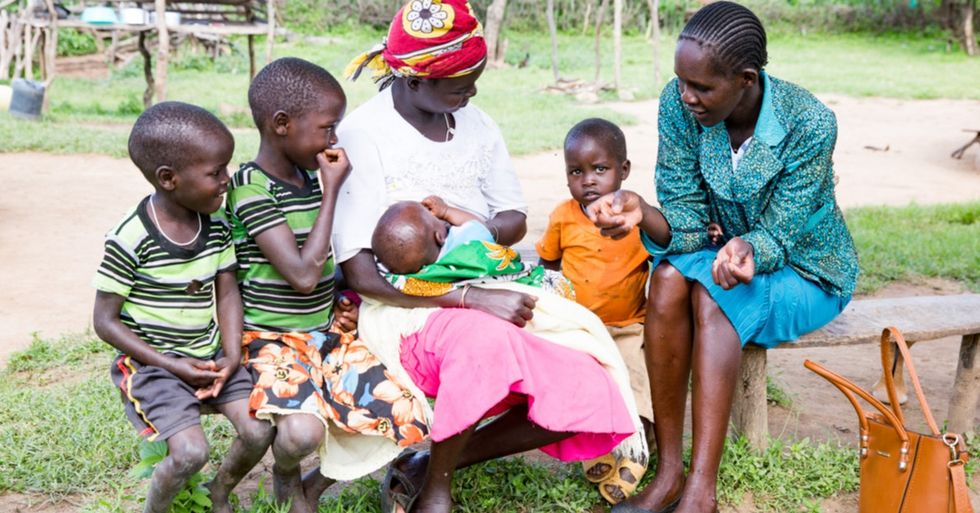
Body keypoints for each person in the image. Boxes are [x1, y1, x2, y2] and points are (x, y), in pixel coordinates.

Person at [335, 2, 642, 512]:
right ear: (412, 81)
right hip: (404, 306)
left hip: (494, 287)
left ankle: (425, 463)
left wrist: (467, 230)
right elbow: (362, 273)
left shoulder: (477, 124)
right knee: (486, 342)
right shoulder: (364, 136)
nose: (472, 92)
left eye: (474, 80)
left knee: (590, 373)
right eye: (459, 84)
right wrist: (470, 295)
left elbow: (514, 218)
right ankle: (437, 491)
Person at [588, 3, 860, 512]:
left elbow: (781, 231)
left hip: (807, 269)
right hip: (718, 252)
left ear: (746, 78)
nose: (686, 96)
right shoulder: (680, 105)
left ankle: (700, 491)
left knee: (713, 297)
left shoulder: (809, 124)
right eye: (681, 82)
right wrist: (640, 209)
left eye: (702, 88)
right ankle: (668, 473)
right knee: (667, 278)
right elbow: (688, 223)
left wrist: (750, 246)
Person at [226, 57, 428, 513]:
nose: (334, 140)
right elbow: (301, 275)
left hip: (325, 335)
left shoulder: (308, 179)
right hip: (269, 339)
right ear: (282, 124)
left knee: (407, 413)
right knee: (301, 434)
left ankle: (310, 483)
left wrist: (346, 297)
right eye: (327, 128)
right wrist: (332, 190)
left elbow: (328, 267)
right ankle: (285, 472)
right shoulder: (251, 188)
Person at [91, 102, 274, 513]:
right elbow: (104, 321)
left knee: (258, 431)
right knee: (190, 453)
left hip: (209, 356)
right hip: (153, 365)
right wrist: (173, 366)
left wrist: (230, 356)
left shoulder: (217, 224)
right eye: (215, 172)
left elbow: (227, 291)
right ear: (169, 179)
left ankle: (219, 492)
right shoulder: (130, 237)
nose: (227, 180)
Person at [535, 118, 653, 505]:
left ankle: (637, 448)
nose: (587, 180)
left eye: (599, 169)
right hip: (580, 330)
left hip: (627, 326)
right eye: (576, 171)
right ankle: (597, 448)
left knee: (635, 384)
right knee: (586, 387)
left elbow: (668, 249)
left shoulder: (636, 220)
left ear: (624, 170)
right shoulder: (563, 217)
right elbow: (549, 265)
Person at [372, 197, 493, 275]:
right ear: (439, 238)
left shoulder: (412, 278)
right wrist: (446, 212)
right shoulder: (461, 242)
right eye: (431, 216)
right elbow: (482, 228)